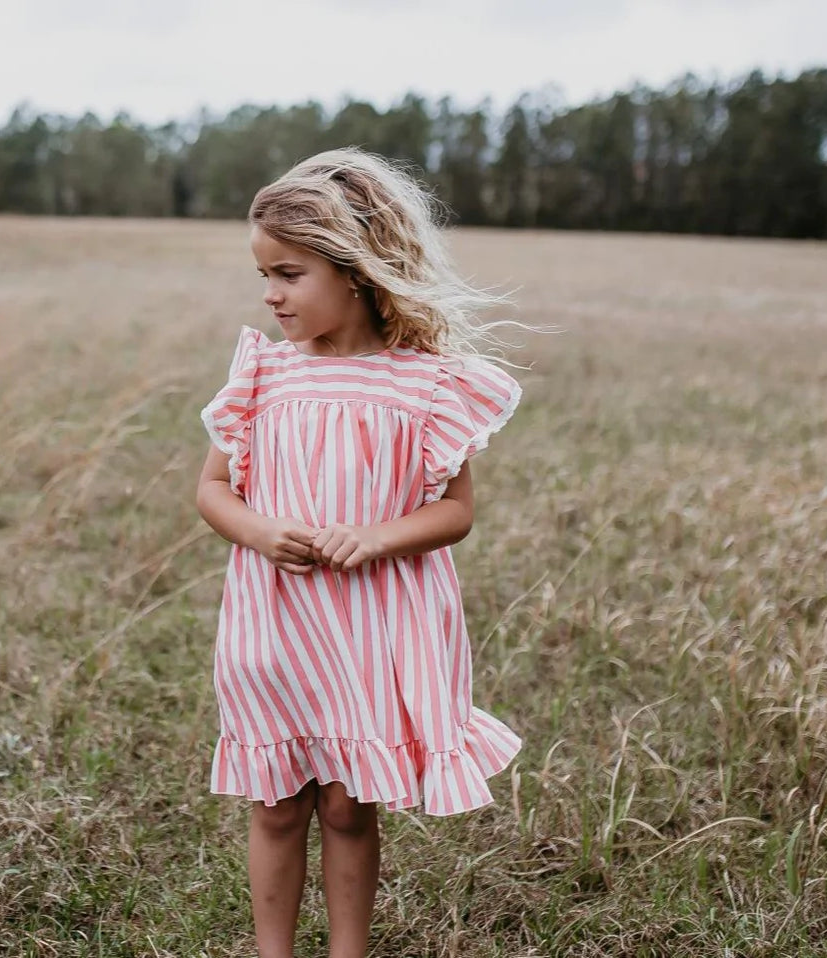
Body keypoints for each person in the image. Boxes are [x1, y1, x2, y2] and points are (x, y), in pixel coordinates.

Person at [195, 147, 524, 958]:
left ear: (355, 270)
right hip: (275, 624)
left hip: (371, 626)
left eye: (289, 273)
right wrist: (261, 530)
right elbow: (211, 491)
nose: (271, 294)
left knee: (347, 804)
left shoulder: (423, 384)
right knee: (275, 802)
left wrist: (376, 538)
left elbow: (456, 512)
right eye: (264, 275)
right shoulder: (264, 375)